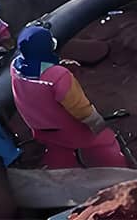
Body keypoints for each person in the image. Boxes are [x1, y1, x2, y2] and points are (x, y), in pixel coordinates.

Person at [10, 25, 128, 168]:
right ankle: (120, 172)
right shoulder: (59, 77)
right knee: (104, 141)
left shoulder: (15, 67)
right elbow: (80, 108)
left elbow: (35, 78)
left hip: (39, 128)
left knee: (58, 150)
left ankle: (61, 174)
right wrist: (97, 124)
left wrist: (58, 66)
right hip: (67, 129)